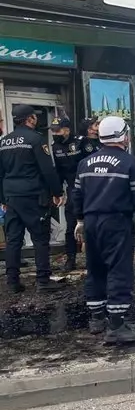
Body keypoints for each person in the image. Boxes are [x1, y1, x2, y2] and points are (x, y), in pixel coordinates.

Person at [72, 116, 135, 343]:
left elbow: (76, 195)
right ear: (123, 135)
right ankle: (117, 325)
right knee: (119, 270)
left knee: (95, 268)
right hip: (116, 223)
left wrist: (80, 220)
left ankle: (96, 318)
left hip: (90, 223)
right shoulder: (130, 163)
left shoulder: (84, 163)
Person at [0, 105, 65, 294]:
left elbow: (0, 173)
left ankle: (12, 282)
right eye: (34, 117)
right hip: (33, 196)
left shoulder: (4, 142)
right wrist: (57, 192)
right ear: (30, 119)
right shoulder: (36, 139)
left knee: (13, 240)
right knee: (40, 238)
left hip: (12, 197)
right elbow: (47, 169)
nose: (36, 119)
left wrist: (3, 198)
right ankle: (43, 280)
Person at [50, 116, 82, 271]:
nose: (55, 133)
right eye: (53, 131)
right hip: (72, 190)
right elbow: (59, 172)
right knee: (71, 226)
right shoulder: (55, 147)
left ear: (67, 130)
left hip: (87, 188)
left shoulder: (80, 142)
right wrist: (58, 191)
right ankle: (71, 258)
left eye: (58, 131)